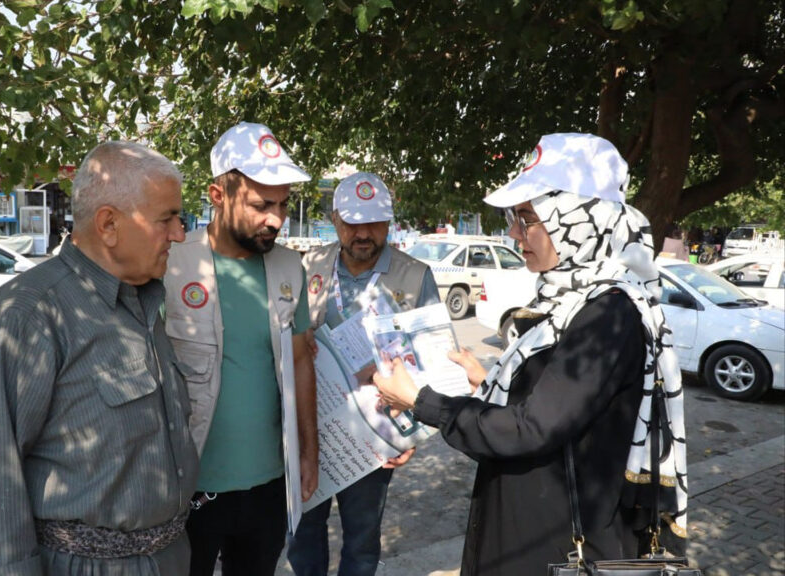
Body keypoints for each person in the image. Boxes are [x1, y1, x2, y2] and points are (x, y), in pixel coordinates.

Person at [373, 133, 689, 576]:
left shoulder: (607, 313)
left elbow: (532, 428)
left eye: (527, 219)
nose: (513, 234)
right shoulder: (570, 302)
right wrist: (488, 383)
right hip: (531, 531)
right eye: (514, 219)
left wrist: (420, 401)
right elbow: (556, 406)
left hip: (556, 548)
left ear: (579, 221)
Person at [0, 141, 198, 575]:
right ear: (108, 225)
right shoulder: (26, 315)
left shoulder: (144, 301)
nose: (180, 233)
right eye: (168, 218)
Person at [163, 122, 319, 576]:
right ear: (217, 195)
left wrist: (309, 452)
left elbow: (301, 361)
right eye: (261, 205)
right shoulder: (171, 263)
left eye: (283, 204)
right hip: (188, 488)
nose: (276, 218)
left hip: (268, 486)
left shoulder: (291, 267)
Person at [287, 172, 440, 576]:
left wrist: (411, 433)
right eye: (353, 221)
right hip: (311, 427)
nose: (363, 232)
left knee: (361, 544)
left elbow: (432, 364)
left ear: (389, 222)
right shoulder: (307, 266)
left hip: (373, 437)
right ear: (335, 219)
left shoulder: (415, 276)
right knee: (302, 538)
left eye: (374, 222)